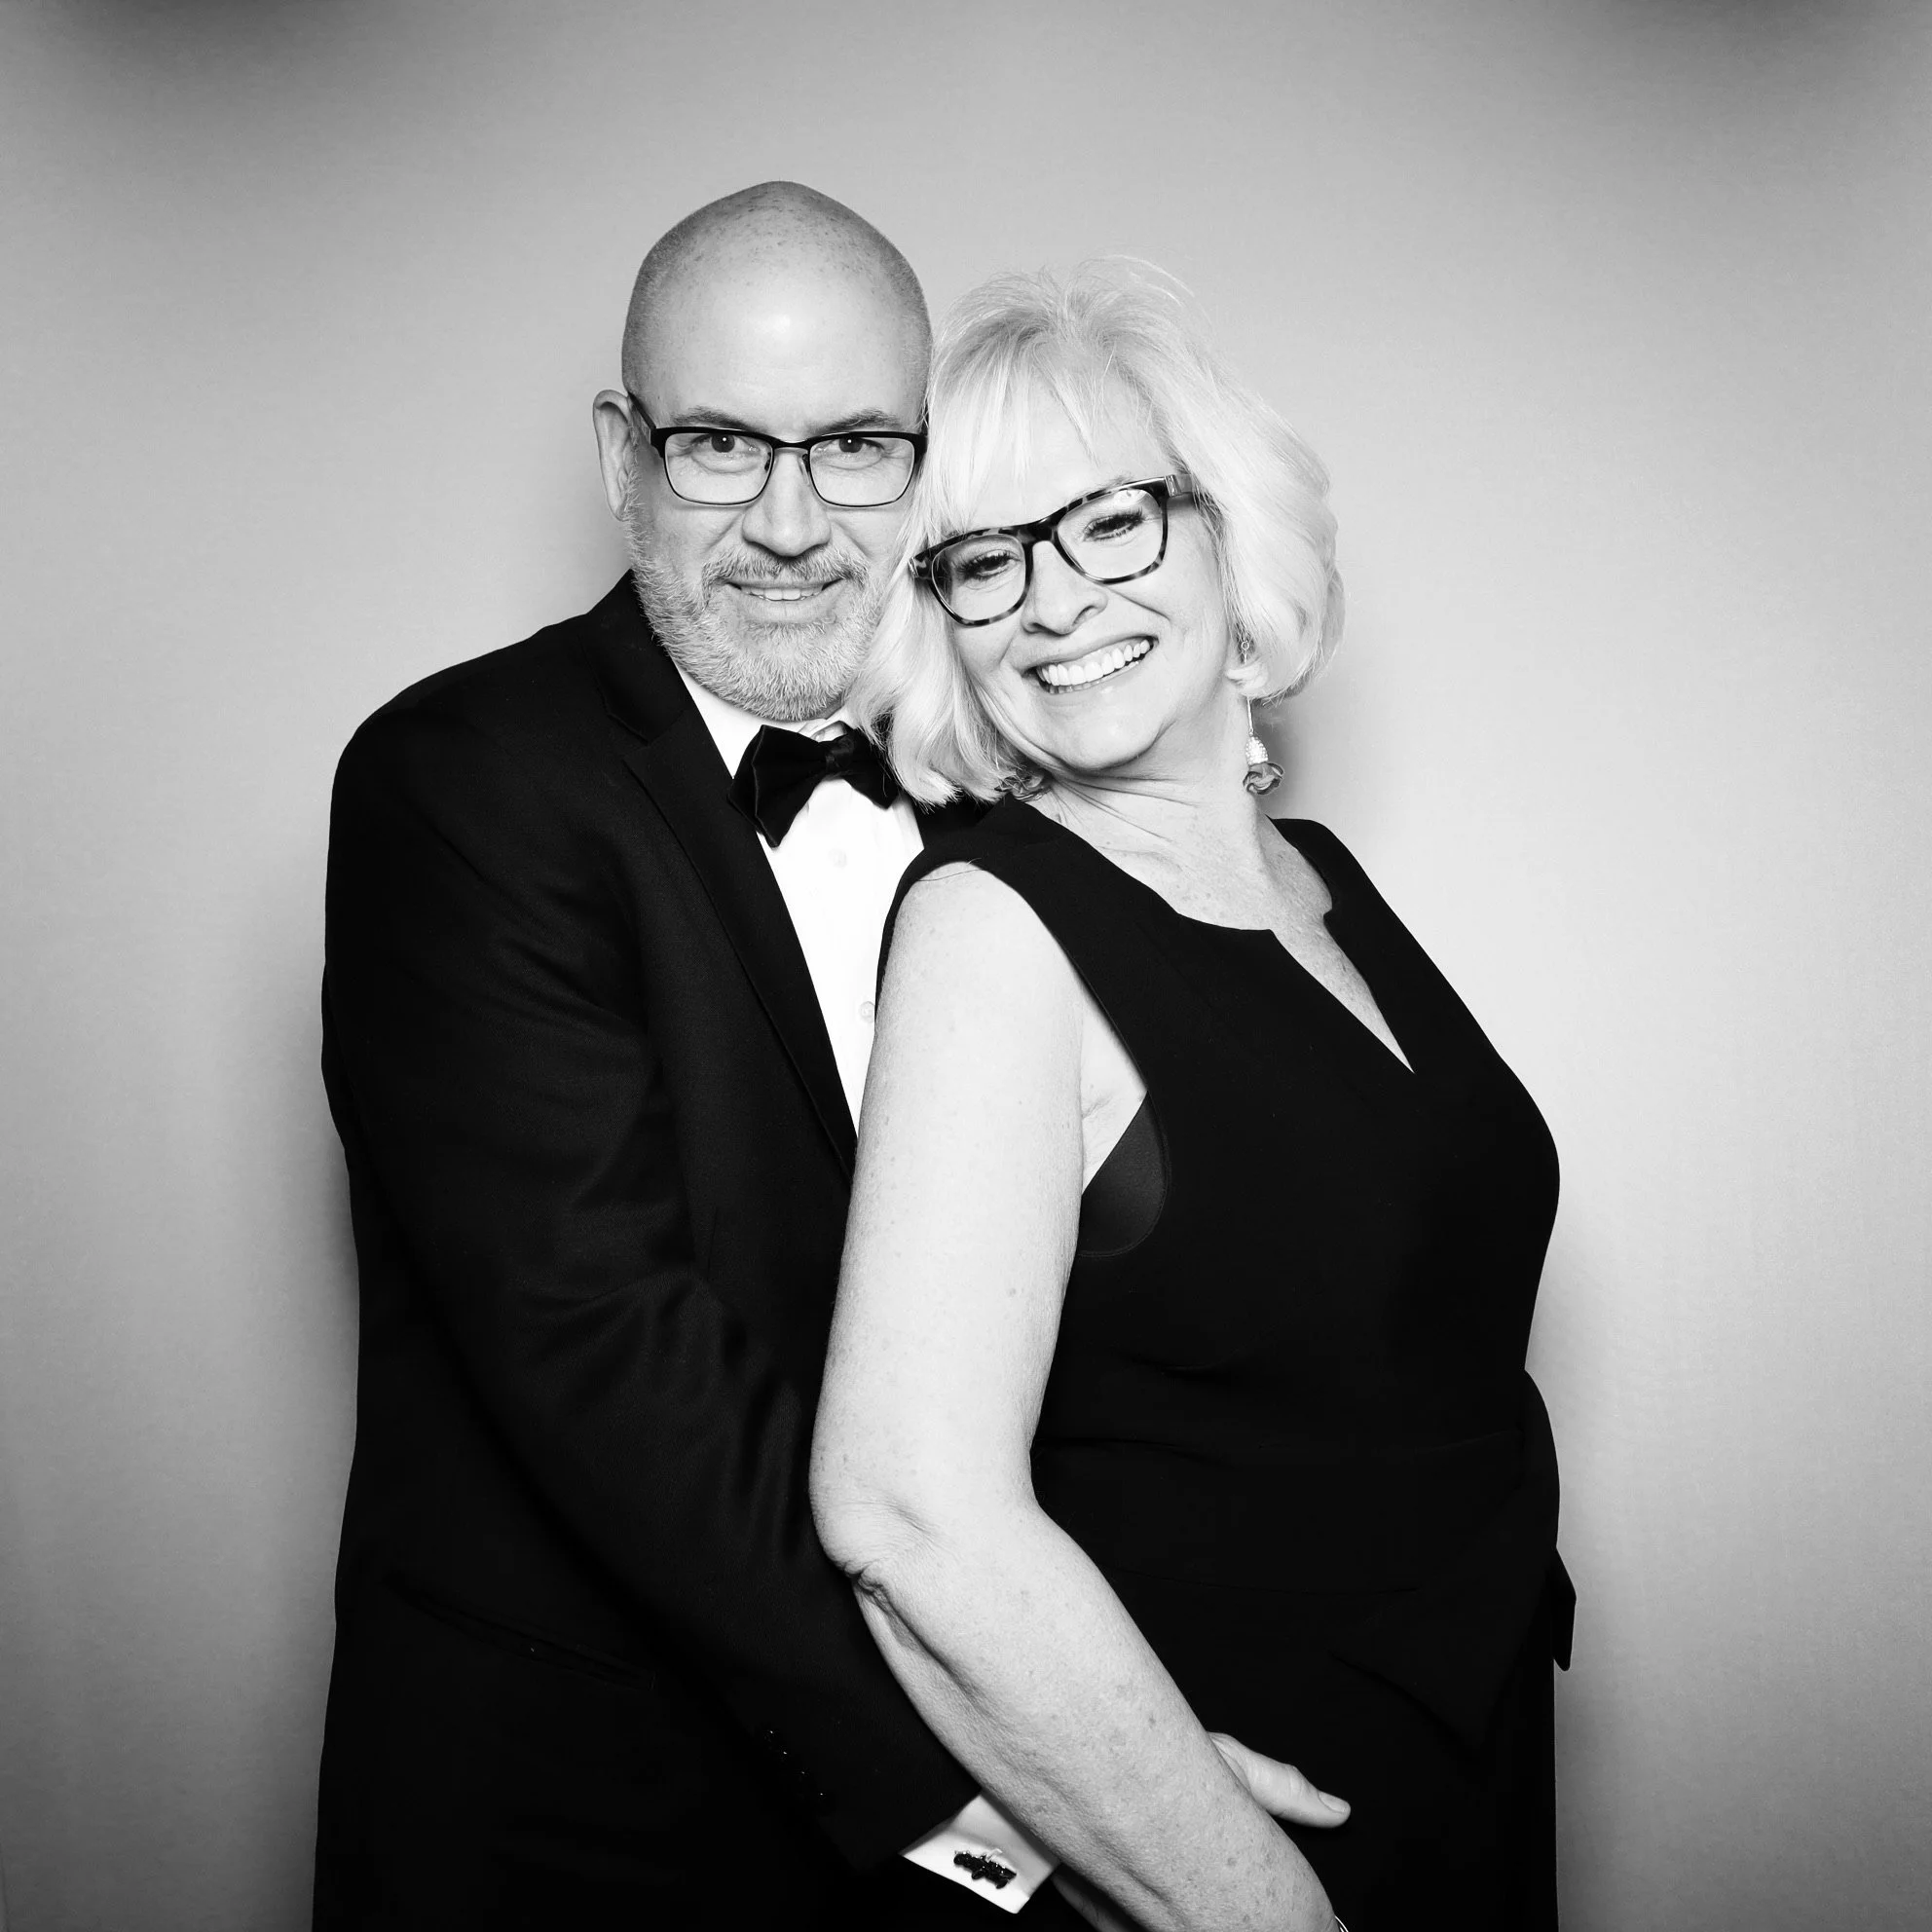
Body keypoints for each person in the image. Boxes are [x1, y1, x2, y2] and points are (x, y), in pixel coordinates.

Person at [312, 182, 1099, 1928]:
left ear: (933, 462)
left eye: (860, 449)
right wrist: (1029, 1799)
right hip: (582, 1825)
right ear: (622, 455)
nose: (795, 524)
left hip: (977, 1773)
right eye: (723, 447)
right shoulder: (461, 782)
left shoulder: (1027, 794)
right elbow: (610, 1351)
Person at [811, 261, 1577, 1931]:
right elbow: (907, 1511)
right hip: (1219, 1836)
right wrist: (1247, 1906)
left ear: (1231, 536)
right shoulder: (990, 925)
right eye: (984, 560)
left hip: (1466, 1760)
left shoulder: (1326, 881)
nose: (1050, 598)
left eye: (1111, 522)